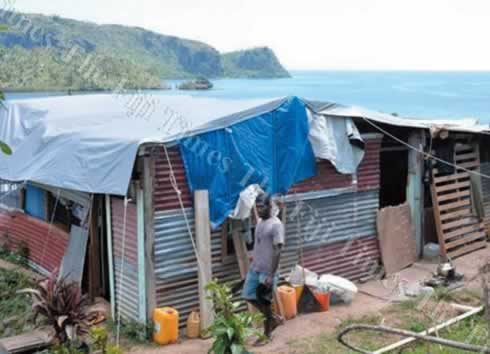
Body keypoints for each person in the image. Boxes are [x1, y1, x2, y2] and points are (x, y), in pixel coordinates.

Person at [241, 195, 285, 344]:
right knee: (248, 295)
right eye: (258, 207)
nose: (259, 209)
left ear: (270, 206)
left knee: (265, 301)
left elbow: (278, 250)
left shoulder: (276, 224)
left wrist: (271, 275)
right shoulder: (259, 222)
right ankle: (273, 319)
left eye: (262, 206)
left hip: (267, 271)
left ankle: (267, 334)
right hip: (255, 268)